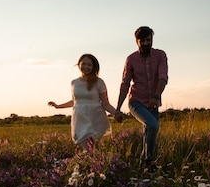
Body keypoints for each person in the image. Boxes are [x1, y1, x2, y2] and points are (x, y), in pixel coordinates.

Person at [115, 26, 168, 171]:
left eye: (148, 40)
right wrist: (118, 109)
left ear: (151, 40)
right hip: (136, 102)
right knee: (153, 125)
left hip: (153, 103)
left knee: (148, 133)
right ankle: (149, 162)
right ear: (136, 42)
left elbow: (163, 77)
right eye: (142, 41)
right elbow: (125, 83)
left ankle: (142, 168)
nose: (145, 43)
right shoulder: (131, 59)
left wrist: (156, 96)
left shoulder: (160, 55)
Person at [48, 53, 120, 151]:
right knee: (83, 147)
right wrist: (58, 106)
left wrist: (116, 113)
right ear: (79, 65)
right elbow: (75, 101)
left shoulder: (99, 82)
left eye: (89, 65)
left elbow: (105, 103)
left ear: (94, 67)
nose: (86, 67)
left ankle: (95, 165)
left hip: (95, 118)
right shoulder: (74, 82)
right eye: (84, 64)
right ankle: (90, 165)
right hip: (79, 119)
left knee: (93, 148)